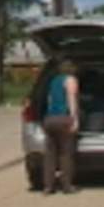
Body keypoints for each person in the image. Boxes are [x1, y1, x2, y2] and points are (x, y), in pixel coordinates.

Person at [42, 60, 80, 195]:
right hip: (63, 119)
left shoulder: (53, 81)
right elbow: (71, 98)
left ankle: (48, 186)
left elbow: (49, 100)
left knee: (50, 154)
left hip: (49, 119)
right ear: (71, 69)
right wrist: (74, 119)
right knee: (65, 154)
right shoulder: (70, 80)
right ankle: (67, 186)